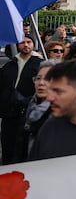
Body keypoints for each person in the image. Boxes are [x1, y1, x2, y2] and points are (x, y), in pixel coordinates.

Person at [0, 33, 42, 164]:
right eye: (23, 42)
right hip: (8, 113)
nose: (26, 45)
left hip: (28, 112)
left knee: (22, 150)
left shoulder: (39, 64)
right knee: (7, 146)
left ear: (33, 44)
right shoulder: (10, 64)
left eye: (29, 42)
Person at [16, 60, 58, 162]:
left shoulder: (61, 112)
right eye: (38, 78)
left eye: (48, 79)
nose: (41, 83)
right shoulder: (27, 106)